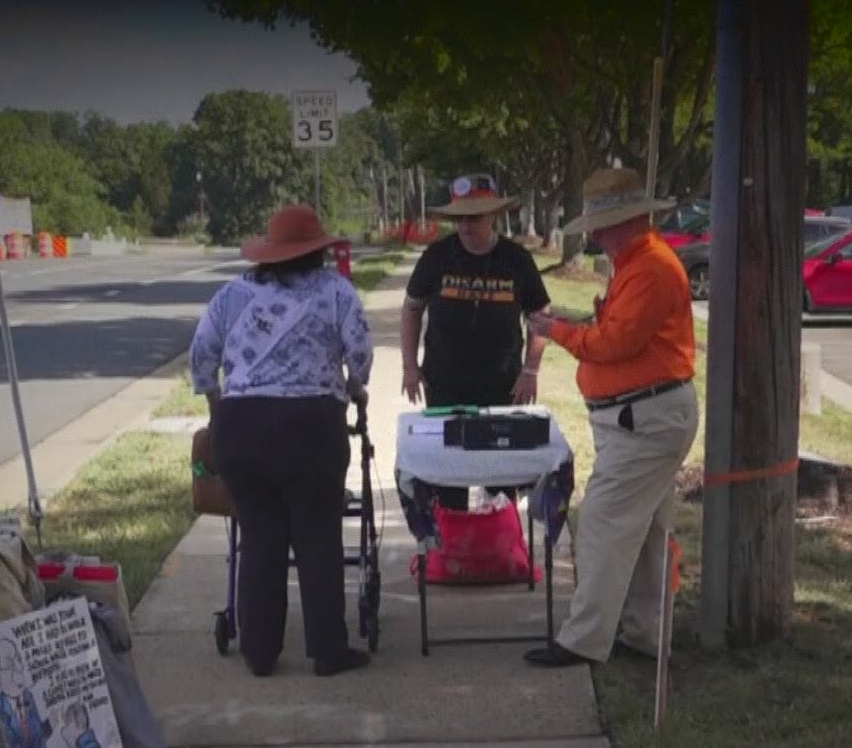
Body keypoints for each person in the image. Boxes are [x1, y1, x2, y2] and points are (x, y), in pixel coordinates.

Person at [523, 167, 698, 668]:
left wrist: (557, 331)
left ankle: (584, 640)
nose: (594, 235)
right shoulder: (636, 263)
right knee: (642, 530)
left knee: (602, 520)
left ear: (627, 220)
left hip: (646, 418)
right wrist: (572, 326)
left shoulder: (650, 268)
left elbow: (615, 343)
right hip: (641, 417)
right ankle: (646, 634)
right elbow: (618, 329)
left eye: (601, 225)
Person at [188, 204, 372, 679]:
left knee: (260, 537)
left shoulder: (231, 295)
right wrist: (352, 388)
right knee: (316, 537)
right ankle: (328, 650)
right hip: (311, 426)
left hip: (241, 426)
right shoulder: (337, 291)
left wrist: (217, 405)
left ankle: (260, 652)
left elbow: (201, 354)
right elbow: (361, 353)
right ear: (317, 252)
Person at [401, 173, 553, 509]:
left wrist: (530, 371)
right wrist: (410, 367)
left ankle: (499, 546)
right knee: (448, 475)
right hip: (445, 381)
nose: (465, 226)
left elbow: (540, 315)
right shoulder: (438, 256)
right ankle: (453, 550)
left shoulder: (516, 259)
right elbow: (411, 309)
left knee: (500, 479)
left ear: (493, 215)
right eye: (459, 218)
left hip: (502, 384)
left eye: (474, 218)